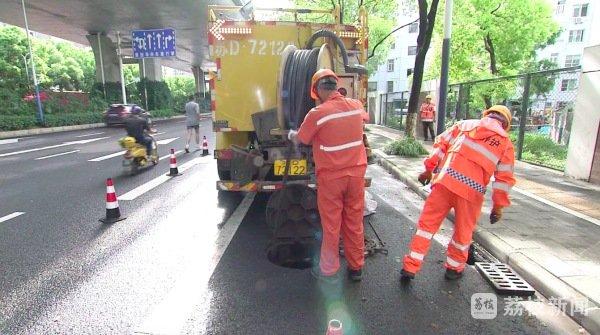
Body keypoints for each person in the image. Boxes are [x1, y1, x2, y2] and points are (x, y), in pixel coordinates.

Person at [400, 105, 516, 281]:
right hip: (471, 193)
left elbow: (440, 147)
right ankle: (453, 269)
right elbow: (503, 179)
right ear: (505, 123)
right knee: (463, 233)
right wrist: (498, 207)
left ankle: (411, 266)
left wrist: (427, 170)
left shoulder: (464, 125)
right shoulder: (505, 143)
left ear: (486, 114)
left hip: (444, 182)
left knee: (426, 227)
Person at [288, 69, 369, 283]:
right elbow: (364, 118)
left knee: (332, 225)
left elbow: (303, 138)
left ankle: (329, 270)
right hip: (356, 176)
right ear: (336, 85)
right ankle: (356, 268)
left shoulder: (318, 114)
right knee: (354, 222)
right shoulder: (357, 106)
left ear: (317, 90)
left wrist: (291, 134)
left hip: (332, 179)